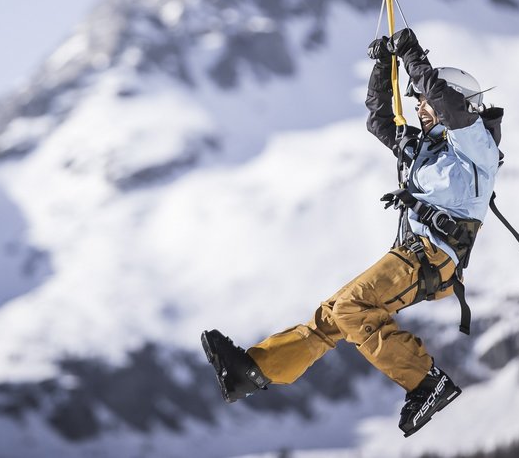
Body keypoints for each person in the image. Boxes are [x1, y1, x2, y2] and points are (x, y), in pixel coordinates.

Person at [202, 27, 503, 437]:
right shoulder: (427, 148)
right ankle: (254, 372)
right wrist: (383, 66)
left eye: (425, 101)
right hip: (410, 254)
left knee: (351, 309)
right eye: (419, 102)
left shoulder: (477, 148)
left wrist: (413, 56)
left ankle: (427, 383)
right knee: (335, 313)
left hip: (432, 258)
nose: (420, 106)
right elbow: (379, 120)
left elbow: (447, 106)